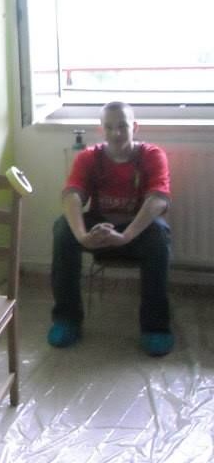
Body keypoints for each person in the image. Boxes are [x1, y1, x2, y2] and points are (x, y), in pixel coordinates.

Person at [48, 101, 173, 357]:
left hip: (135, 229)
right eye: (109, 127)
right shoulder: (89, 157)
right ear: (101, 130)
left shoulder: (152, 155)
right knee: (62, 229)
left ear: (134, 127)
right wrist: (82, 236)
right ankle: (67, 320)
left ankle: (155, 327)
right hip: (99, 226)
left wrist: (126, 236)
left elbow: (158, 200)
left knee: (159, 235)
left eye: (123, 126)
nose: (116, 133)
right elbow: (72, 195)